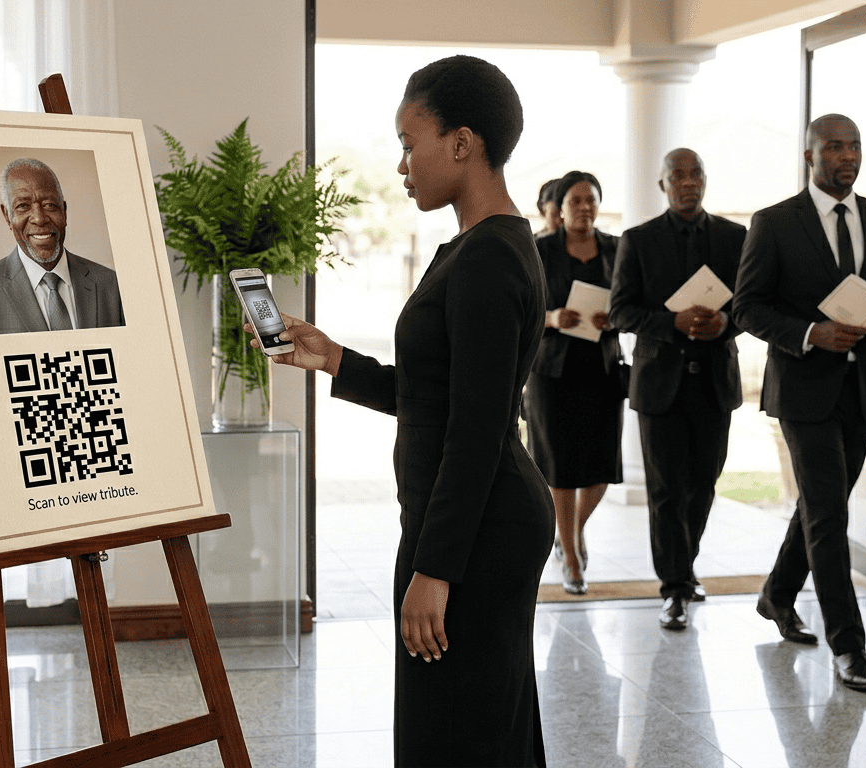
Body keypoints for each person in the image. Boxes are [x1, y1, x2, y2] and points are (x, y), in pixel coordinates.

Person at [250, 55, 552, 766]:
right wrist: (332, 358)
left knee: (458, 735)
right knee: (475, 725)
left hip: (476, 535)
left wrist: (435, 567)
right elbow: (438, 397)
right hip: (476, 524)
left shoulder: (485, 258)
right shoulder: (486, 248)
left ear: (461, 142)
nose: (401, 163)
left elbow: (476, 431)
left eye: (408, 142)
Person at [733, 114, 866, 691]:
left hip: (862, 389)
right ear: (811, 155)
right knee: (831, 513)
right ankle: (850, 648)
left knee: (819, 501)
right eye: (835, 147)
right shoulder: (775, 222)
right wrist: (811, 333)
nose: (847, 155)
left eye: (855, 145)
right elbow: (748, 308)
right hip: (803, 390)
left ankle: (777, 594)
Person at [609, 148, 746, 630]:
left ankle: (683, 567)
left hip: (714, 382)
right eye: (678, 176)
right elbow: (621, 311)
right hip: (659, 384)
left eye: (696, 174)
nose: (688, 182)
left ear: (705, 181)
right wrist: (673, 322)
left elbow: (749, 306)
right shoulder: (638, 240)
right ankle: (674, 588)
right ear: (662, 185)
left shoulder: (735, 238)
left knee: (703, 486)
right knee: (666, 490)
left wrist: (725, 322)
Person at [524, 170, 624, 596]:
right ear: (559, 209)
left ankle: (573, 532)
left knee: (601, 465)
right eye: (576, 201)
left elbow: (633, 302)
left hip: (601, 369)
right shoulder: (539, 249)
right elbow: (520, 306)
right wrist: (550, 317)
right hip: (552, 373)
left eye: (591, 200)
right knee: (561, 467)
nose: (584, 208)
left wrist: (614, 318)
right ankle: (570, 557)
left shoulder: (617, 249)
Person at [0, 157, 125, 335]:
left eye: (50, 205)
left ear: (64, 211)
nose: (39, 218)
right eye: (23, 206)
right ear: (7, 216)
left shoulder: (111, 284)